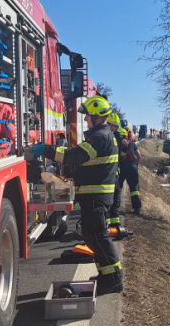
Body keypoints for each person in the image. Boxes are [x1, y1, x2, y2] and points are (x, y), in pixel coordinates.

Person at [26, 96, 123, 294]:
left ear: (97, 117)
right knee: (92, 236)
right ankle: (107, 275)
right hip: (94, 196)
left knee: (98, 237)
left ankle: (113, 278)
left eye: (88, 116)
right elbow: (86, 162)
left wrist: (47, 150)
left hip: (96, 197)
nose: (86, 119)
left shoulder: (99, 137)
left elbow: (75, 156)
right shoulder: (102, 135)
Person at [117, 128, 143, 215]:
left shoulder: (117, 145)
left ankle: (115, 206)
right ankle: (137, 208)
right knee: (134, 188)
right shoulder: (132, 144)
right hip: (133, 168)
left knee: (118, 188)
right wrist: (136, 165)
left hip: (121, 169)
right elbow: (139, 156)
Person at [106, 111, 124, 230]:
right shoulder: (101, 137)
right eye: (110, 124)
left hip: (114, 176)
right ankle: (104, 227)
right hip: (105, 177)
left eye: (115, 126)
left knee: (116, 200)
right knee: (107, 203)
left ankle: (115, 224)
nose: (113, 128)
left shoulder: (114, 137)